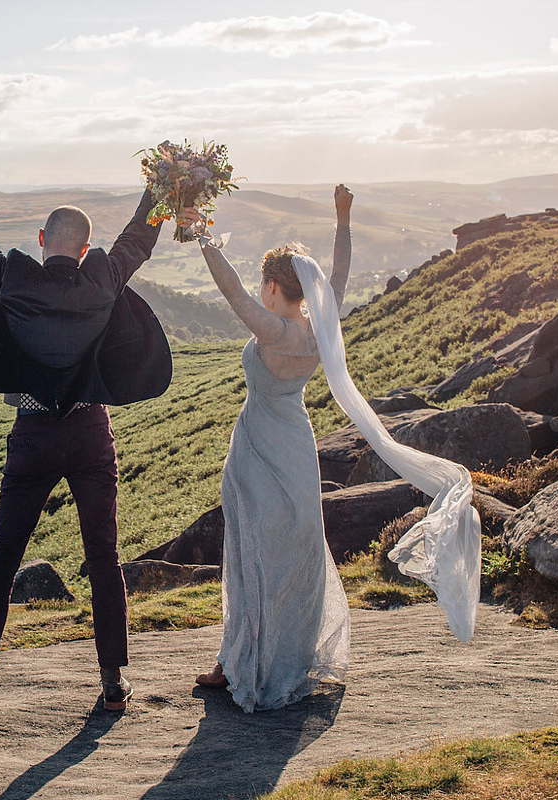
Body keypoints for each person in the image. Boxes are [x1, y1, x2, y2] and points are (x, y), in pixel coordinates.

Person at [0, 136, 172, 713]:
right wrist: (167, 181)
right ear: (87, 247)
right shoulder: (103, 281)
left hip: (30, 436)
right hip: (90, 434)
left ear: (43, 242)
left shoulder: (13, 280)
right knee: (103, 554)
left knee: (3, 555)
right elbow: (141, 235)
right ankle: (112, 681)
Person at [181, 186, 355, 712]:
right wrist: (342, 217)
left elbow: (231, 292)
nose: (259, 290)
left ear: (276, 287)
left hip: (257, 447)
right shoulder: (318, 326)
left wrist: (203, 235)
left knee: (250, 554)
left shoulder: (274, 329)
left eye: (265, 284)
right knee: (292, 553)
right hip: (297, 447)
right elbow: (340, 270)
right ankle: (280, 659)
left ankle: (240, 663)